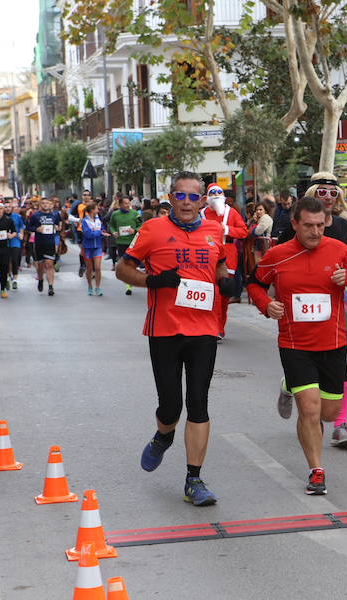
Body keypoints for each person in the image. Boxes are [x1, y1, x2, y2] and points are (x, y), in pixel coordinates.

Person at [116, 170, 236, 505]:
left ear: (202, 200)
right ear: (170, 197)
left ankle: (193, 480)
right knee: (171, 407)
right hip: (164, 330)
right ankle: (163, 436)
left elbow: (220, 268)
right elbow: (123, 270)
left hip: (204, 330)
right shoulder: (153, 229)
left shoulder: (214, 230)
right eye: (179, 195)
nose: (186, 202)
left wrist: (226, 282)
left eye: (193, 196)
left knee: (198, 402)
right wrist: (153, 282)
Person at [247, 195, 347, 494]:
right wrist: (266, 304)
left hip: (332, 342)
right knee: (310, 411)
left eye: (320, 225)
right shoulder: (278, 255)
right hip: (294, 344)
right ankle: (316, 470)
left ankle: (287, 385)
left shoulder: (339, 250)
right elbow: (254, 283)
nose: (316, 232)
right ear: (295, 224)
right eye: (309, 226)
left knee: (329, 414)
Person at [200, 183, 248, 338]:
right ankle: (208, 326)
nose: (215, 198)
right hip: (205, 256)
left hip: (227, 256)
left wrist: (226, 229)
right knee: (208, 293)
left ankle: (219, 327)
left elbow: (243, 232)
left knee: (223, 293)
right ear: (207, 198)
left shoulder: (231, 213)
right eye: (212, 195)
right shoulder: (201, 213)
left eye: (218, 195)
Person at [26, 196, 61, 296]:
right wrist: (36, 229)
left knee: (49, 264)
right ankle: (40, 279)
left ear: (50, 204)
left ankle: (50, 286)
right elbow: (28, 227)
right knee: (40, 265)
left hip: (50, 243)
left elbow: (58, 226)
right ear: (40, 205)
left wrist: (57, 228)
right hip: (39, 243)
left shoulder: (54, 215)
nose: (45, 205)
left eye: (47, 203)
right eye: (43, 203)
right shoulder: (35, 216)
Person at [108, 195, 142, 296]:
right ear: (120, 204)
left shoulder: (135, 214)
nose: (128, 205)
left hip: (133, 242)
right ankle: (129, 283)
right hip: (121, 242)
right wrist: (114, 232)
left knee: (132, 263)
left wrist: (134, 230)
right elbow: (111, 225)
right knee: (126, 263)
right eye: (125, 203)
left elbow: (142, 225)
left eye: (129, 203)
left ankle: (129, 282)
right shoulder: (115, 214)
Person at [81, 202, 109, 296]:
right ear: (92, 210)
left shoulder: (98, 219)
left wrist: (102, 232)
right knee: (89, 268)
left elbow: (102, 229)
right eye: (96, 208)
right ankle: (89, 286)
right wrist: (99, 233)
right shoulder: (85, 221)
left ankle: (98, 287)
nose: (98, 210)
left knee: (97, 268)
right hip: (87, 247)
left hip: (98, 246)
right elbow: (87, 234)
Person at [5, 201, 25, 289]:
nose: (7, 208)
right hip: (4, 241)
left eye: (9, 207)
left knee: (14, 259)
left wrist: (21, 234)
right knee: (6, 261)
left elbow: (21, 226)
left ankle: (15, 279)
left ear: (12, 208)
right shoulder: (1, 217)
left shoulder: (17, 216)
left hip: (15, 240)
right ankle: (8, 276)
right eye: (5, 207)